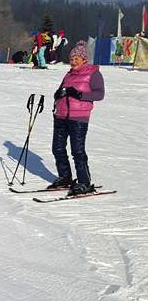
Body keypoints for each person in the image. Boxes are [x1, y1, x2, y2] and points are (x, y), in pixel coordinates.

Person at [47, 42, 105, 196]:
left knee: (77, 151)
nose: (73, 62)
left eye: (76, 59)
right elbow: (60, 91)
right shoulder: (69, 74)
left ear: (84, 59)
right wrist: (58, 94)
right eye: (71, 59)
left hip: (78, 117)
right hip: (61, 115)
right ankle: (65, 177)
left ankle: (84, 182)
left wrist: (79, 94)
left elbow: (99, 94)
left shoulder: (93, 73)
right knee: (57, 148)